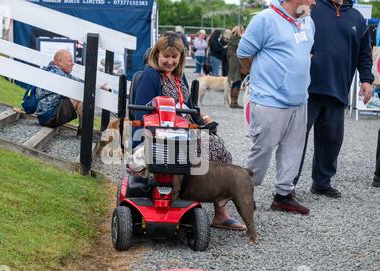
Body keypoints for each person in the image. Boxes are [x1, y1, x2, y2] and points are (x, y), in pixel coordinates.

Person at [134, 32, 246, 231]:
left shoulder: (179, 76)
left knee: (220, 151)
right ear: (156, 54)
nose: (170, 61)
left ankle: (220, 213)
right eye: (165, 56)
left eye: (174, 57)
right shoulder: (149, 76)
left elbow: (190, 105)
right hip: (159, 133)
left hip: (184, 130)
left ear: (180, 58)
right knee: (197, 153)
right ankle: (181, 196)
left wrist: (203, 120)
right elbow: (140, 111)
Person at [237, 0, 315, 214]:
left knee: (293, 149)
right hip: (269, 99)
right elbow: (243, 53)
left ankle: (283, 196)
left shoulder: (307, 21)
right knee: (262, 148)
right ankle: (244, 193)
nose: (315, 2)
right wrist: (260, 78)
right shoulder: (264, 19)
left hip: (299, 100)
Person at [294, 0, 374, 198]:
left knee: (332, 140)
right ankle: (287, 185)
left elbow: (364, 53)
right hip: (307, 88)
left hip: (338, 88)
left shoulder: (357, 18)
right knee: (296, 140)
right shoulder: (312, 8)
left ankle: (322, 183)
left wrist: (366, 80)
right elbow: (293, 35)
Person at [35, 50, 83, 128]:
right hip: (49, 118)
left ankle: (83, 130)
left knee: (83, 92)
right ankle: (84, 131)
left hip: (45, 116)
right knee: (82, 94)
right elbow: (79, 84)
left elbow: (79, 81)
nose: (72, 63)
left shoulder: (56, 71)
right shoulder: (57, 74)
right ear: (60, 62)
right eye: (70, 61)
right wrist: (96, 87)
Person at [226, 25, 245, 109]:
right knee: (237, 81)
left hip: (232, 60)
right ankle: (234, 102)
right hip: (236, 61)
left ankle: (233, 102)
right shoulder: (238, 39)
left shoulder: (232, 38)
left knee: (234, 81)